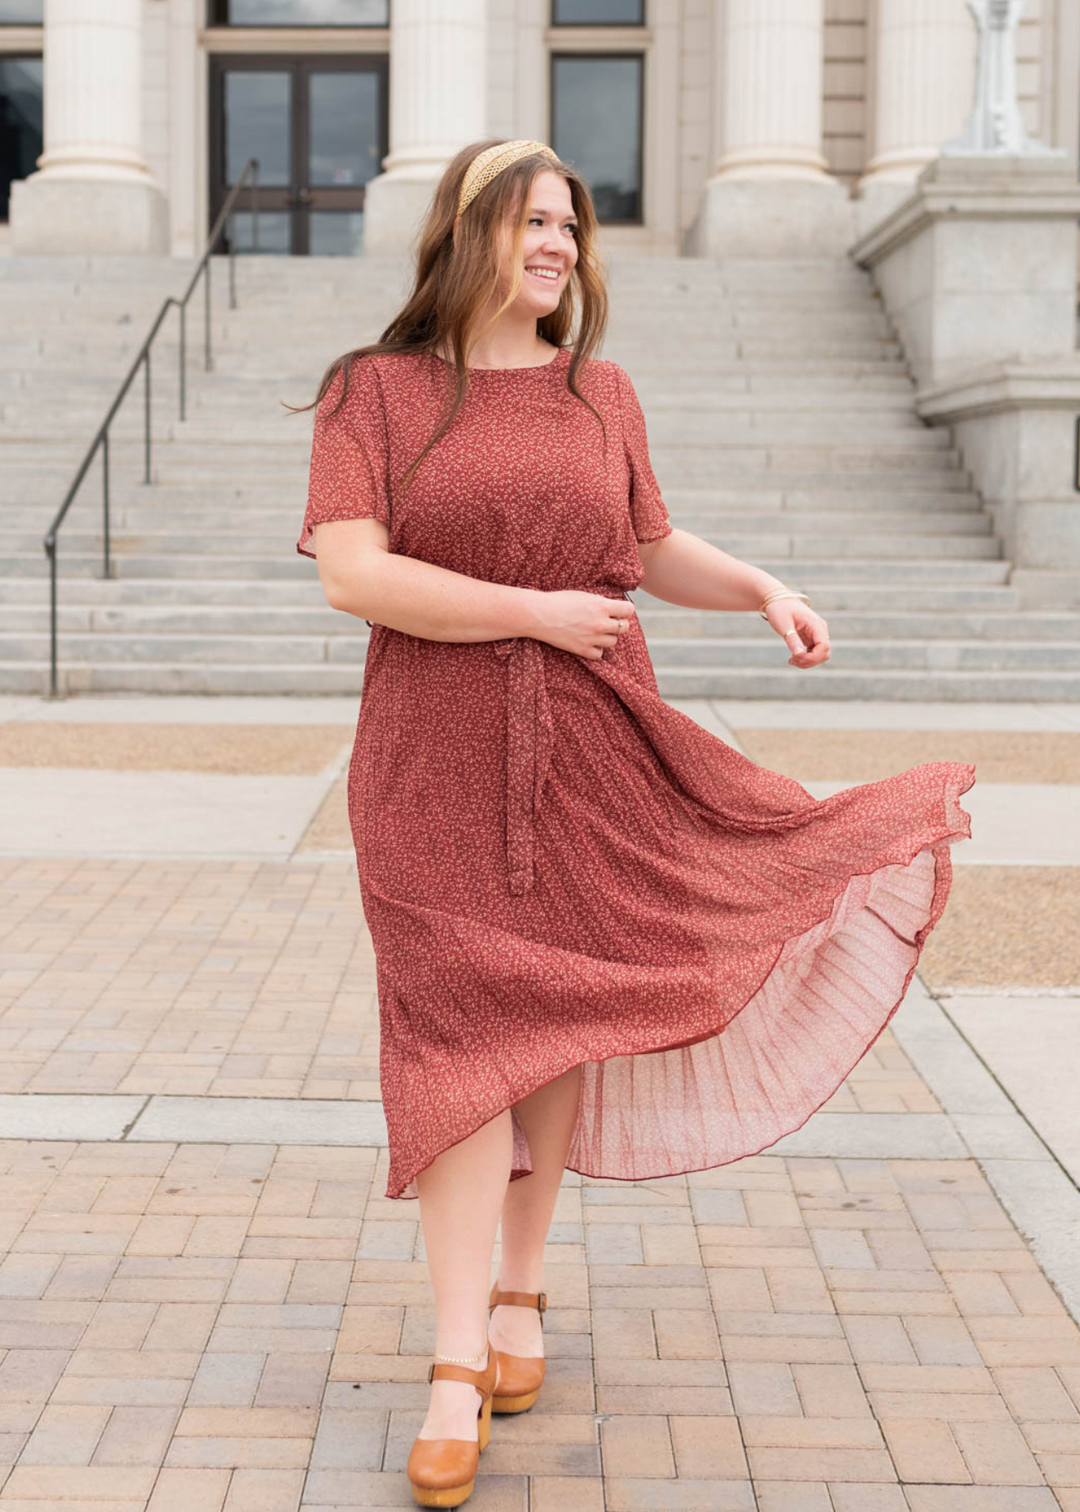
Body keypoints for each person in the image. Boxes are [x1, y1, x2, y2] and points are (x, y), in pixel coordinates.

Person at [292, 138, 976, 1508]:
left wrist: (764, 588)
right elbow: (356, 577)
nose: (559, 244)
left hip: (595, 757)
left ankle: (522, 1290)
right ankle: (448, 1356)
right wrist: (535, 613)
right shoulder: (373, 392)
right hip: (429, 764)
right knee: (457, 1036)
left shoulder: (602, 395)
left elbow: (650, 550)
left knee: (558, 1016)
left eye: (573, 225)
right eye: (535, 221)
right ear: (468, 231)